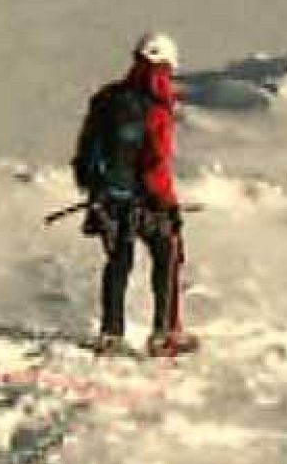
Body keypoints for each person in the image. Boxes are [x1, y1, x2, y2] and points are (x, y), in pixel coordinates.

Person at [71, 31, 198, 358]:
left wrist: (97, 190)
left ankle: (110, 333)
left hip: (108, 198)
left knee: (118, 262)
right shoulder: (156, 106)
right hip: (146, 199)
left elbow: (85, 150)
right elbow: (157, 162)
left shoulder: (108, 98)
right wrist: (167, 203)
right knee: (167, 256)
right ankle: (165, 333)